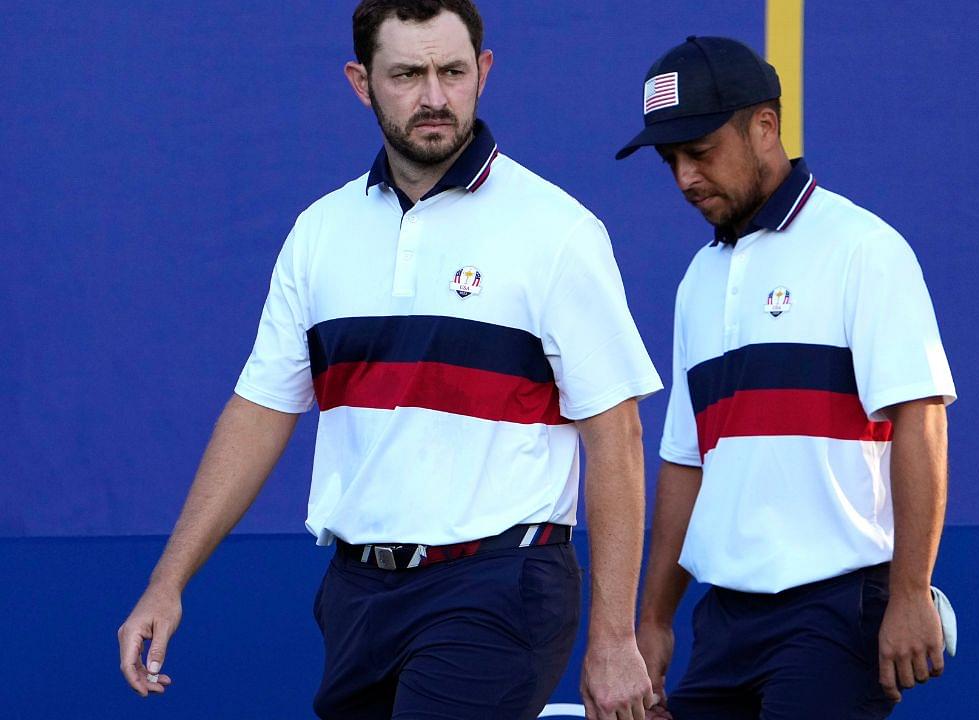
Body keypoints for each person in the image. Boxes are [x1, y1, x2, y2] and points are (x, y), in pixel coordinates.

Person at [116, 2, 662, 718]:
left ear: (484, 72)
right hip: (356, 595)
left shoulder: (557, 231)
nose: (435, 97)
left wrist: (614, 637)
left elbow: (614, 437)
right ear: (360, 82)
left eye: (452, 71)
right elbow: (259, 413)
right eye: (407, 74)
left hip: (499, 585)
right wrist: (168, 581)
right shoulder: (319, 234)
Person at [615, 36, 958, 719]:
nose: (685, 177)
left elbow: (921, 422)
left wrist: (911, 591)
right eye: (671, 160)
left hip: (834, 615)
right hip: (722, 625)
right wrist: (652, 621)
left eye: (701, 151)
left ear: (764, 127)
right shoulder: (698, 281)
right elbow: (687, 465)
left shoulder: (863, 249)